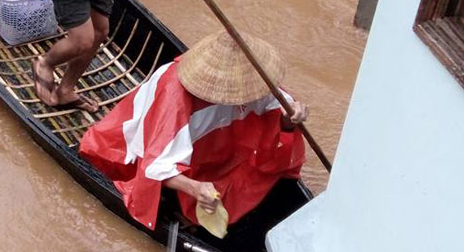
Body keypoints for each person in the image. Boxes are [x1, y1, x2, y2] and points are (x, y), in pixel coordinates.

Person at [79, 29, 307, 232]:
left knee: (269, 164)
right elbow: (155, 166)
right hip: (149, 144)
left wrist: (290, 119)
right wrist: (195, 188)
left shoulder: (256, 82)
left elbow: (282, 109)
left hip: (213, 147)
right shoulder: (176, 100)